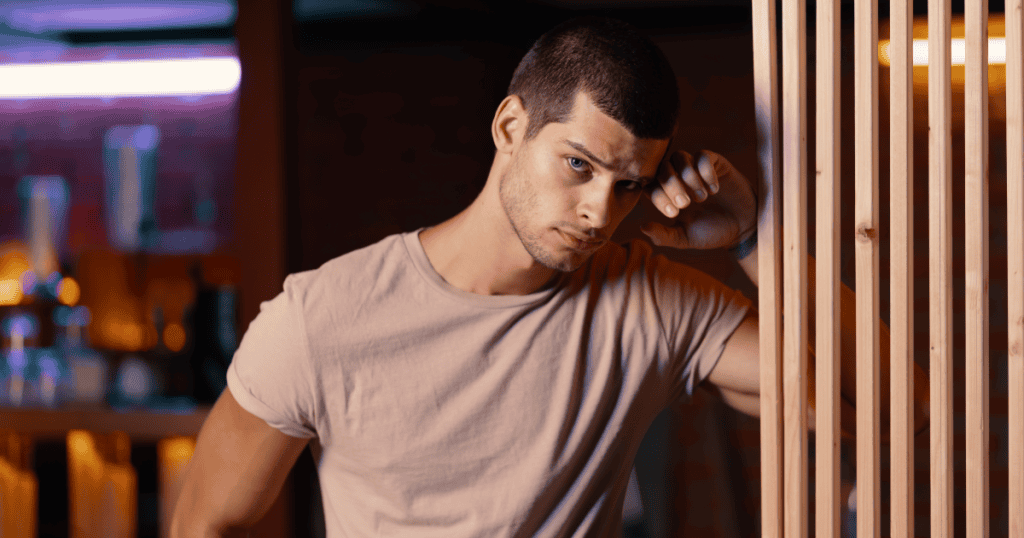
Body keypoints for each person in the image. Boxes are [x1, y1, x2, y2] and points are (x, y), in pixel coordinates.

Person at [171, 16, 927, 537]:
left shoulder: (651, 300)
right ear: (509, 128)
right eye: (579, 166)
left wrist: (755, 238)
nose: (601, 211)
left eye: (628, 185)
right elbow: (205, 521)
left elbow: (898, 408)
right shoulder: (321, 317)